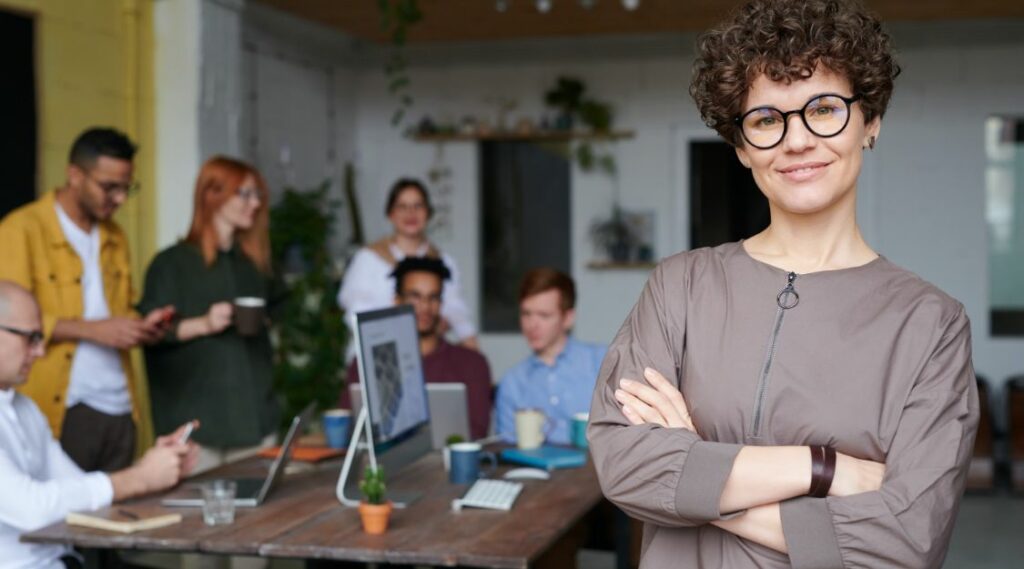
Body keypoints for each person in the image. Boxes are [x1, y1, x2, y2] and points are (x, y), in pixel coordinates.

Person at [588, 1, 979, 568]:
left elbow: (904, 545)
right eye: (768, 119)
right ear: (743, 147)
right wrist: (825, 469)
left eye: (823, 109)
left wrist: (695, 480)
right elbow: (624, 466)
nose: (796, 141)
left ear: (870, 123)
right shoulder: (680, 288)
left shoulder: (930, 324)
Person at [0, 127, 174, 472]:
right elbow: (9, 322)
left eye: (127, 188)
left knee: (120, 515)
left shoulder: (115, 236)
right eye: (110, 187)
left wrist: (141, 327)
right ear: (74, 175)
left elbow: (118, 309)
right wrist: (94, 331)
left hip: (121, 406)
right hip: (64, 407)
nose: (120, 199)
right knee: (65, 519)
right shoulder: (21, 230)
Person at [0, 280, 197, 569]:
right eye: (31, 337)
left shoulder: (24, 407)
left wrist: (156, 467)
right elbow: (31, 509)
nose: (41, 351)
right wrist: (140, 477)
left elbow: (77, 487)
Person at [138, 156, 284, 474]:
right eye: (244, 193)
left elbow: (279, 307)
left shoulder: (255, 264)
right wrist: (204, 323)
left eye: (257, 194)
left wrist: (263, 320)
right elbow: (149, 332)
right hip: (197, 427)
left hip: (255, 417)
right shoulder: (171, 263)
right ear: (212, 194)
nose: (255, 203)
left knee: (262, 519)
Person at [341, 257, 493, 439]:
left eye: (433, 297)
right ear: (397, 301)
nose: (425, 307)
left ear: (441, 304)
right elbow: (347, 431)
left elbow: (477, 432)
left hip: (447, 464)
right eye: (415, 297)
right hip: (385, 464)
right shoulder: (365, 363)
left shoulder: (472, 363)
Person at [338, 178, 478, 351]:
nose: (410, 213)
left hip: (426, 355)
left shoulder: (443, 262)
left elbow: (455, 309)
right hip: (375, 351)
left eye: (418, 206)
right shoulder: (368, 258)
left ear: (428, 212)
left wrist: (468, 340)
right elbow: (356, 312)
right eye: (402, 207)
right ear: (391, 214)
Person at [496, 268, 606, 445]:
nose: (532, 325)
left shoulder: (601, 362)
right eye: (526, 314)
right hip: (534, 472)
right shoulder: (512, 382)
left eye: (544, 315)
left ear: (568, 318)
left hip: (598, 470)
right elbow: (507, 449)